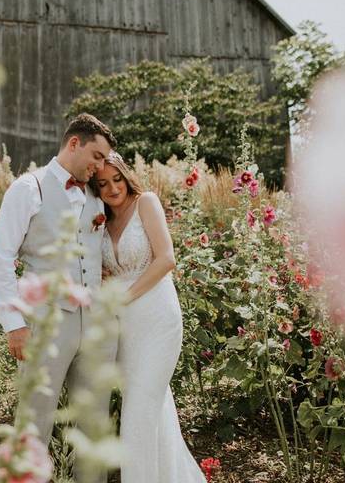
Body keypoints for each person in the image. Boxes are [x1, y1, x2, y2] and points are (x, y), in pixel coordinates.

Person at [0, 113, 118, 483]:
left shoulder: (96, 192)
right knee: (36, 419)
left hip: (93, 324)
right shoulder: (29, 188)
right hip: (45, 322)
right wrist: (14, 324)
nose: (99, 165)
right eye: (95, 156)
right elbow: (1, 258)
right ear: (73, 143)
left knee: (93, 421)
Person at [90, 151, 205, 483]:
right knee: (157, 409)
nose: (113, 188)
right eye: (103, 184)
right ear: (96, 189)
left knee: (137, 412)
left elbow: (166, 259)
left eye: (117, 179)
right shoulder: (102, 222)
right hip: (125, 327)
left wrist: (124, 296)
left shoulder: (146, 203)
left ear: (126, 176)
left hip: (157, 317)